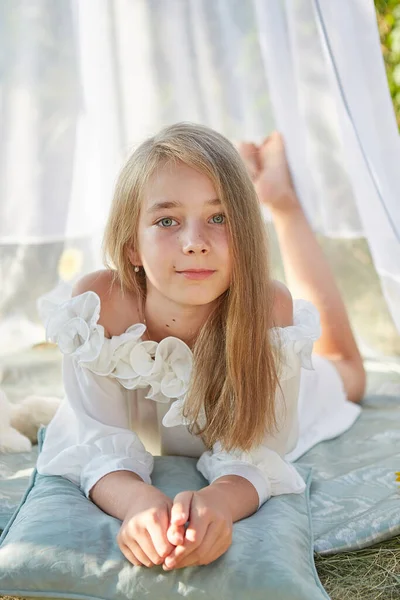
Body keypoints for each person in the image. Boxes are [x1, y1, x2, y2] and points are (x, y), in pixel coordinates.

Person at [36, 122, 365, 572]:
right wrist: (137, 501)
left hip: (298, 397)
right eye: (167, 220)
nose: (194, 243)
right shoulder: (98, 306)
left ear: (246, 233)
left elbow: (262, 451)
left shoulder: (268, 309)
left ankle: (281, 202)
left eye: (219, 217)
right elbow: (94, 437)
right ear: (132, 246)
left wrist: (220, 502)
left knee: (348, 372)